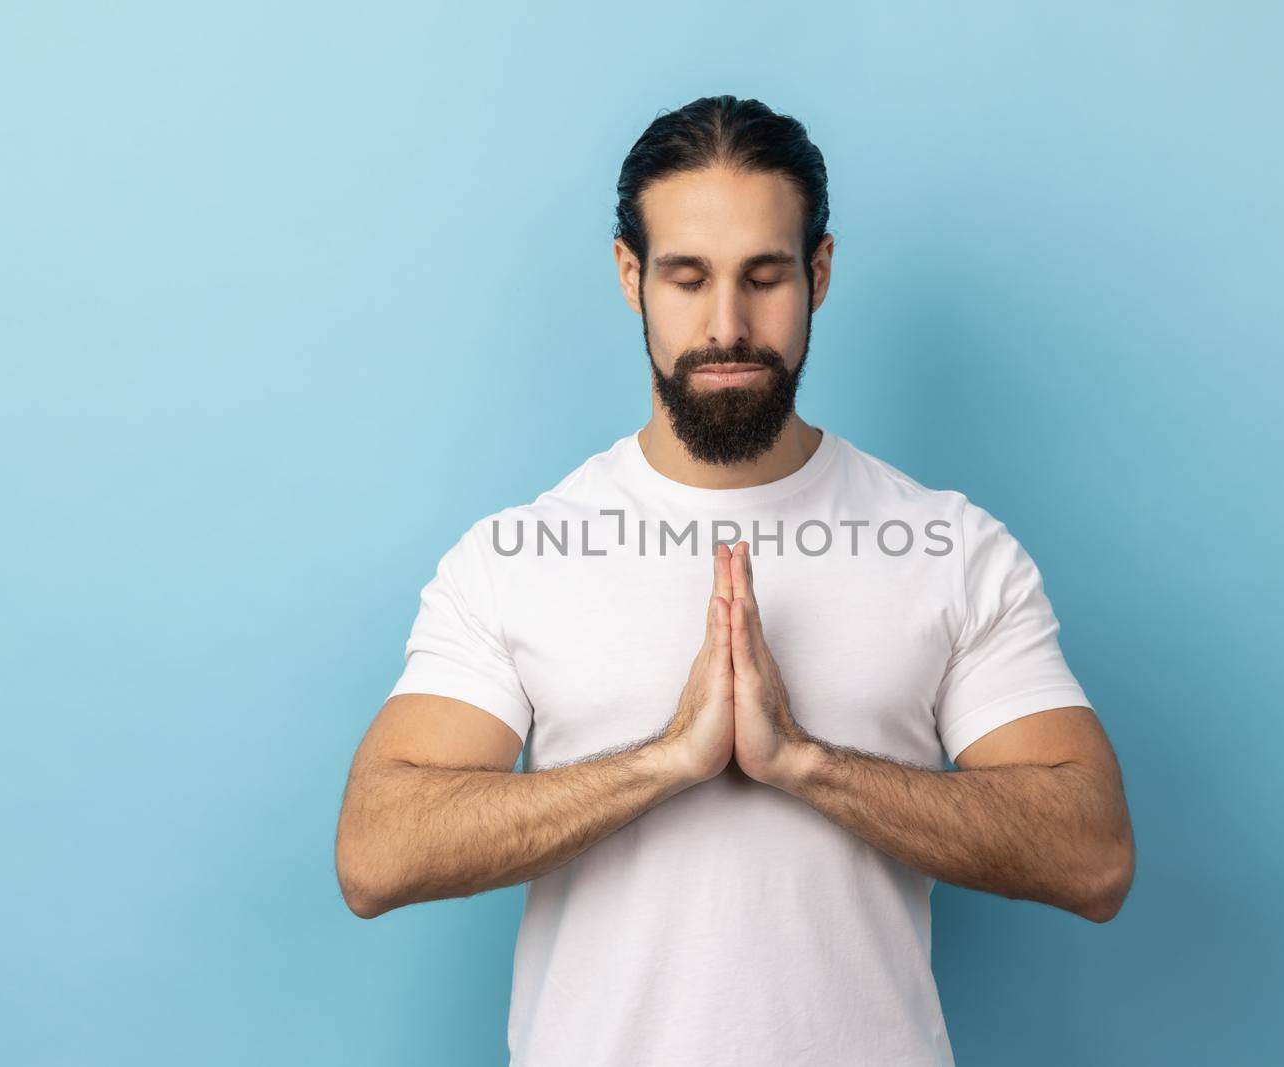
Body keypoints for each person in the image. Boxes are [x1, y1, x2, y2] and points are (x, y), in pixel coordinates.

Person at [335, 94, 1134, 1067]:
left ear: (819, 273)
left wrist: (805, 761)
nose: (726, 325)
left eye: (764, 276)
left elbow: (1092, 856)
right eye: (686, 278)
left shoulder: (948, 545)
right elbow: (375, 854)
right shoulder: (519, 554)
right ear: (631, 277)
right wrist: (663, 761)